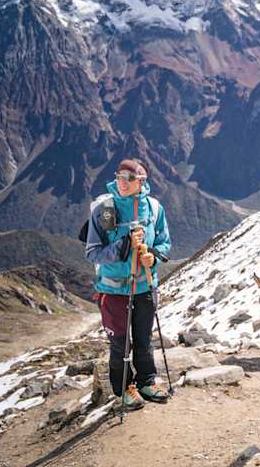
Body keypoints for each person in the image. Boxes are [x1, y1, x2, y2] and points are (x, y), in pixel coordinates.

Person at [85, 159, 172, 411]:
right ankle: (124, 388)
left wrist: (153, 257)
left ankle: (146, 382)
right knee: (121, 343)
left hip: (145, 286)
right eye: (119, 177)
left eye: (129, 178)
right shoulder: (104, 210)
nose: (122, 182)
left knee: (144, 339)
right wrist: (123, 246)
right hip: (113, 291)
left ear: (141, 182)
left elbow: (165, 242)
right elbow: (92, 252)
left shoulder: (154, 209)